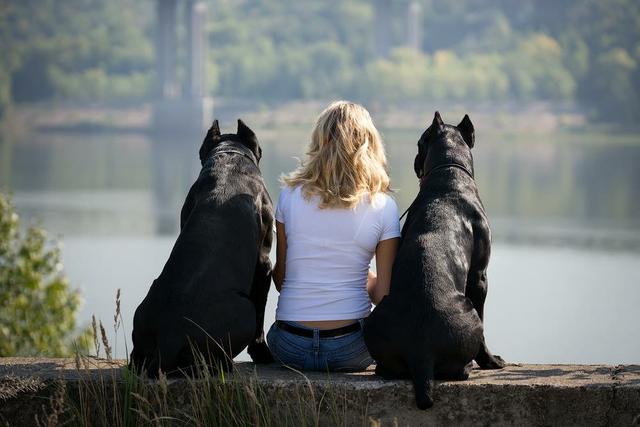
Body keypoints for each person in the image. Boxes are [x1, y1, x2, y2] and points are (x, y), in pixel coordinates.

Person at [266, 100, 401, 371]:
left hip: (288, 345)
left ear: (319, 141)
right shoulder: (383, 206)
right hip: (351, 348)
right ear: (370, 145)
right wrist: (359, 273)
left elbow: (281, 281)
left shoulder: (289, 196)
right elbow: (384, 296)